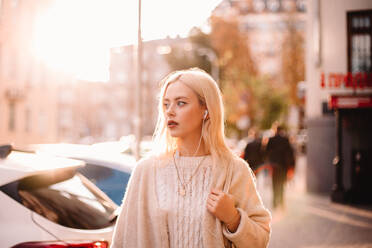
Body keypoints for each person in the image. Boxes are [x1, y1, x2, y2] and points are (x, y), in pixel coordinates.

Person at [111, 68, 271, 248]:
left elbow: (260, 240)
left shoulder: (233, 170)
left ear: (206, 110)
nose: (170, 112)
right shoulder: (146, 170)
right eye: (166, 104)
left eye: (181, 103)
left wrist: (233, 218)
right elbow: (122, 241)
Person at [265, 124, 295, 210]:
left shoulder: (271, 140)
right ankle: (281, 202)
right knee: (282, 184)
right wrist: (291, 165)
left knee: (274, 184)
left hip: (274, 166)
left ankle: (274, 202)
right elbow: (290, 153)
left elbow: (266, 152)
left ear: (275, 130)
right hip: (283, 166)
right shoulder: (285, 139)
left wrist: (270, 161)